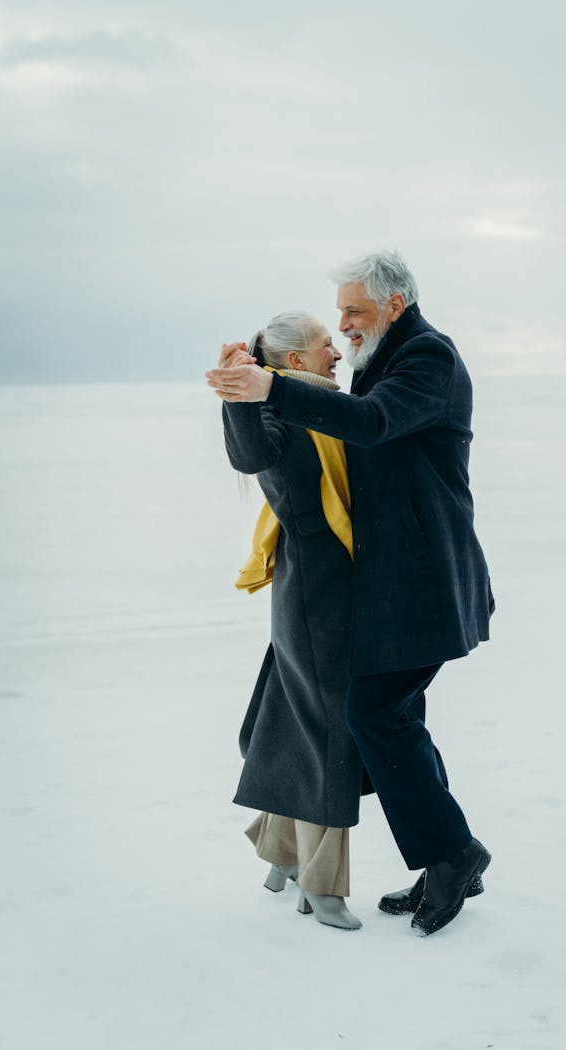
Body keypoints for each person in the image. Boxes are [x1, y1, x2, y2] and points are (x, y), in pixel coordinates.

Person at [207, 251, 495, 937]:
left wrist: (270, 387)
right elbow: (284, 445)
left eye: (354, 312)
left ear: (395, 304)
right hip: (390, 590)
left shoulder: (427, 359)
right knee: (392, 716)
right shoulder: (383, 358)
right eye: (336, 315)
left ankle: (453, 855)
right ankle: (448, 856)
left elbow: (367, 424)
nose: (343, 327)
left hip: (424, 583)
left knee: (375, 715)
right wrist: (252, 393)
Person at [215, 310, 367, 931]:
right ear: (297, 361)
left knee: (295, 711)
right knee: (334, 727)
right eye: (324, 344)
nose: (336, 350)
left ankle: (280, 851)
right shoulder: (277, 408)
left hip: (325, 583)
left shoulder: (328, 403)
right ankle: (323, 883)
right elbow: (251, 454)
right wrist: (239, 395)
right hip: (314, 589)